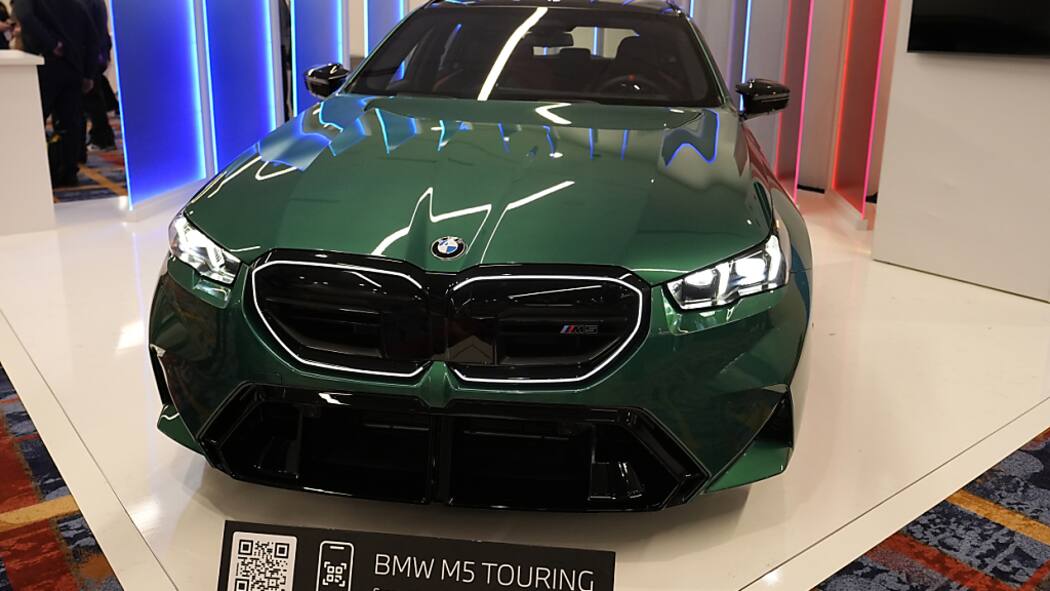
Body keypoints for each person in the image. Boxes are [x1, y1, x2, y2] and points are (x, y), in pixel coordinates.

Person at [12, 0, 99, 187]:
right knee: (70, 124)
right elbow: (92, 36)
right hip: (73, 67)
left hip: (42, 65)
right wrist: (89, 73)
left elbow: (25, 16)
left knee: (34, 122)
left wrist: (50, 43)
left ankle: (34, 172)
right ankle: (67, 172)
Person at [80, 0, 115, 150]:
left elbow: (91, 32)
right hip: (97, 53)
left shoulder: (87, 3)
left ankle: (102, 138)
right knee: (94, 98)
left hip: (91, 54)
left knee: (93, 100)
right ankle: (102, 137)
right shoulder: (96, 2)